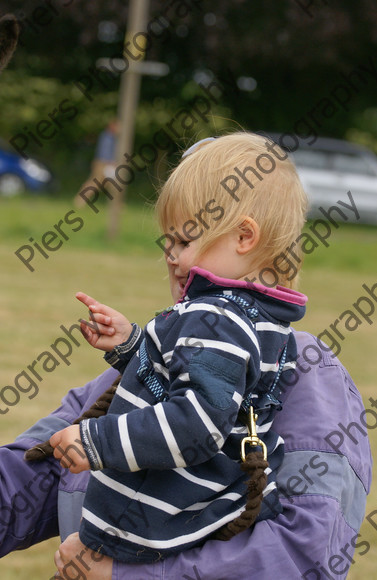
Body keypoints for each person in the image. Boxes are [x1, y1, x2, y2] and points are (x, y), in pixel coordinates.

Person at [49, 132, 309, 563]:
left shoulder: (218, 320)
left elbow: (195, 424)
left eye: (183, 241)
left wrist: (97, 442)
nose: (170, 254)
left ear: (244, 236)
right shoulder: (263, 322)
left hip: (147, 524)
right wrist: (133, 345)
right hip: (191, 521)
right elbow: (186, 385)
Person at [0, 331, 371, 579]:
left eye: (193, 235)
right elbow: (24, 481)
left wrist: (126, 575)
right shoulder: (154, 359)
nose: (174, 256)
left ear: (250, 239)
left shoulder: (306, 374)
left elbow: (301, 559)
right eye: (172, 236)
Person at [74, 118, 120, 208]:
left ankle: (117, 205)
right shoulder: (108, 137)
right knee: (94, 183)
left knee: (111, 185)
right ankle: (79, 201)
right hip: (102, 164)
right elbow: (105, 152)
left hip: (103, 163)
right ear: (112, 126)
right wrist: (111, 163)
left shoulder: (108, 136)